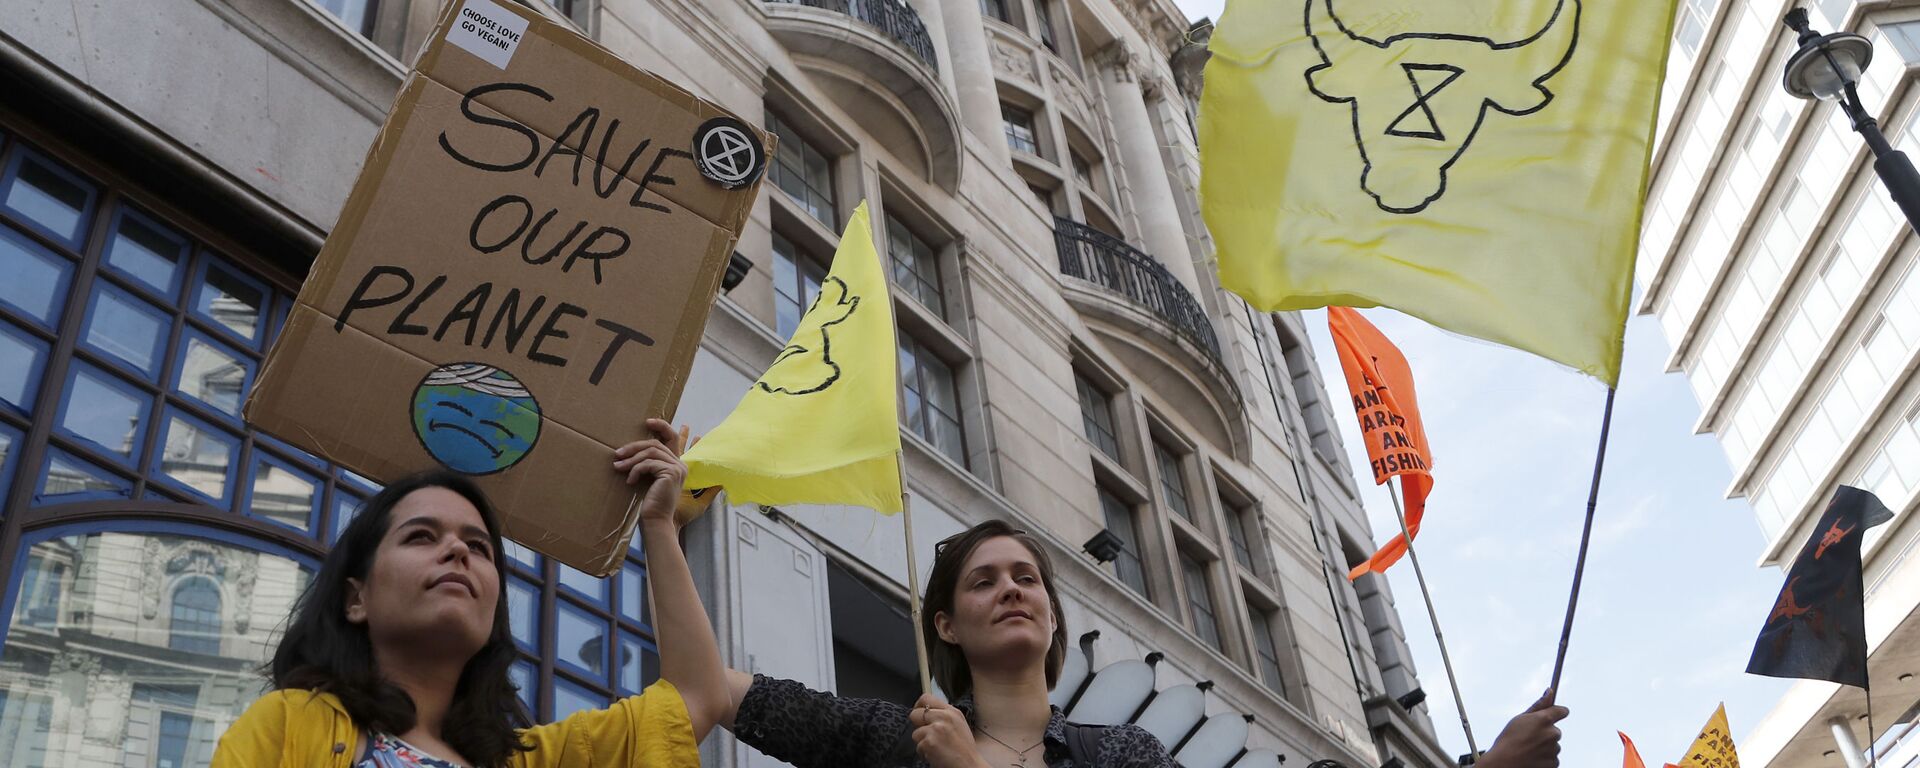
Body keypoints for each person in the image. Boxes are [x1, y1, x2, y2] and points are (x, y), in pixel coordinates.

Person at [213, 419, 722, 768]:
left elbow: (697, 697)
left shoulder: (534, 759)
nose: (458, 550)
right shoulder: (286, 726)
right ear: (356, 598)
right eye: (421, 536)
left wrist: (659, 523)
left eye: (479, 547)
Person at [720, 519, 1175, 768]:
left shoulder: (1126, 754)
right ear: (946, 626)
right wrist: (663, 525)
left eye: (1025, 577)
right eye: (983, 583)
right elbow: (707, 686)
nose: (1011, 589)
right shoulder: (896, 742)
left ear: (1052, 616)